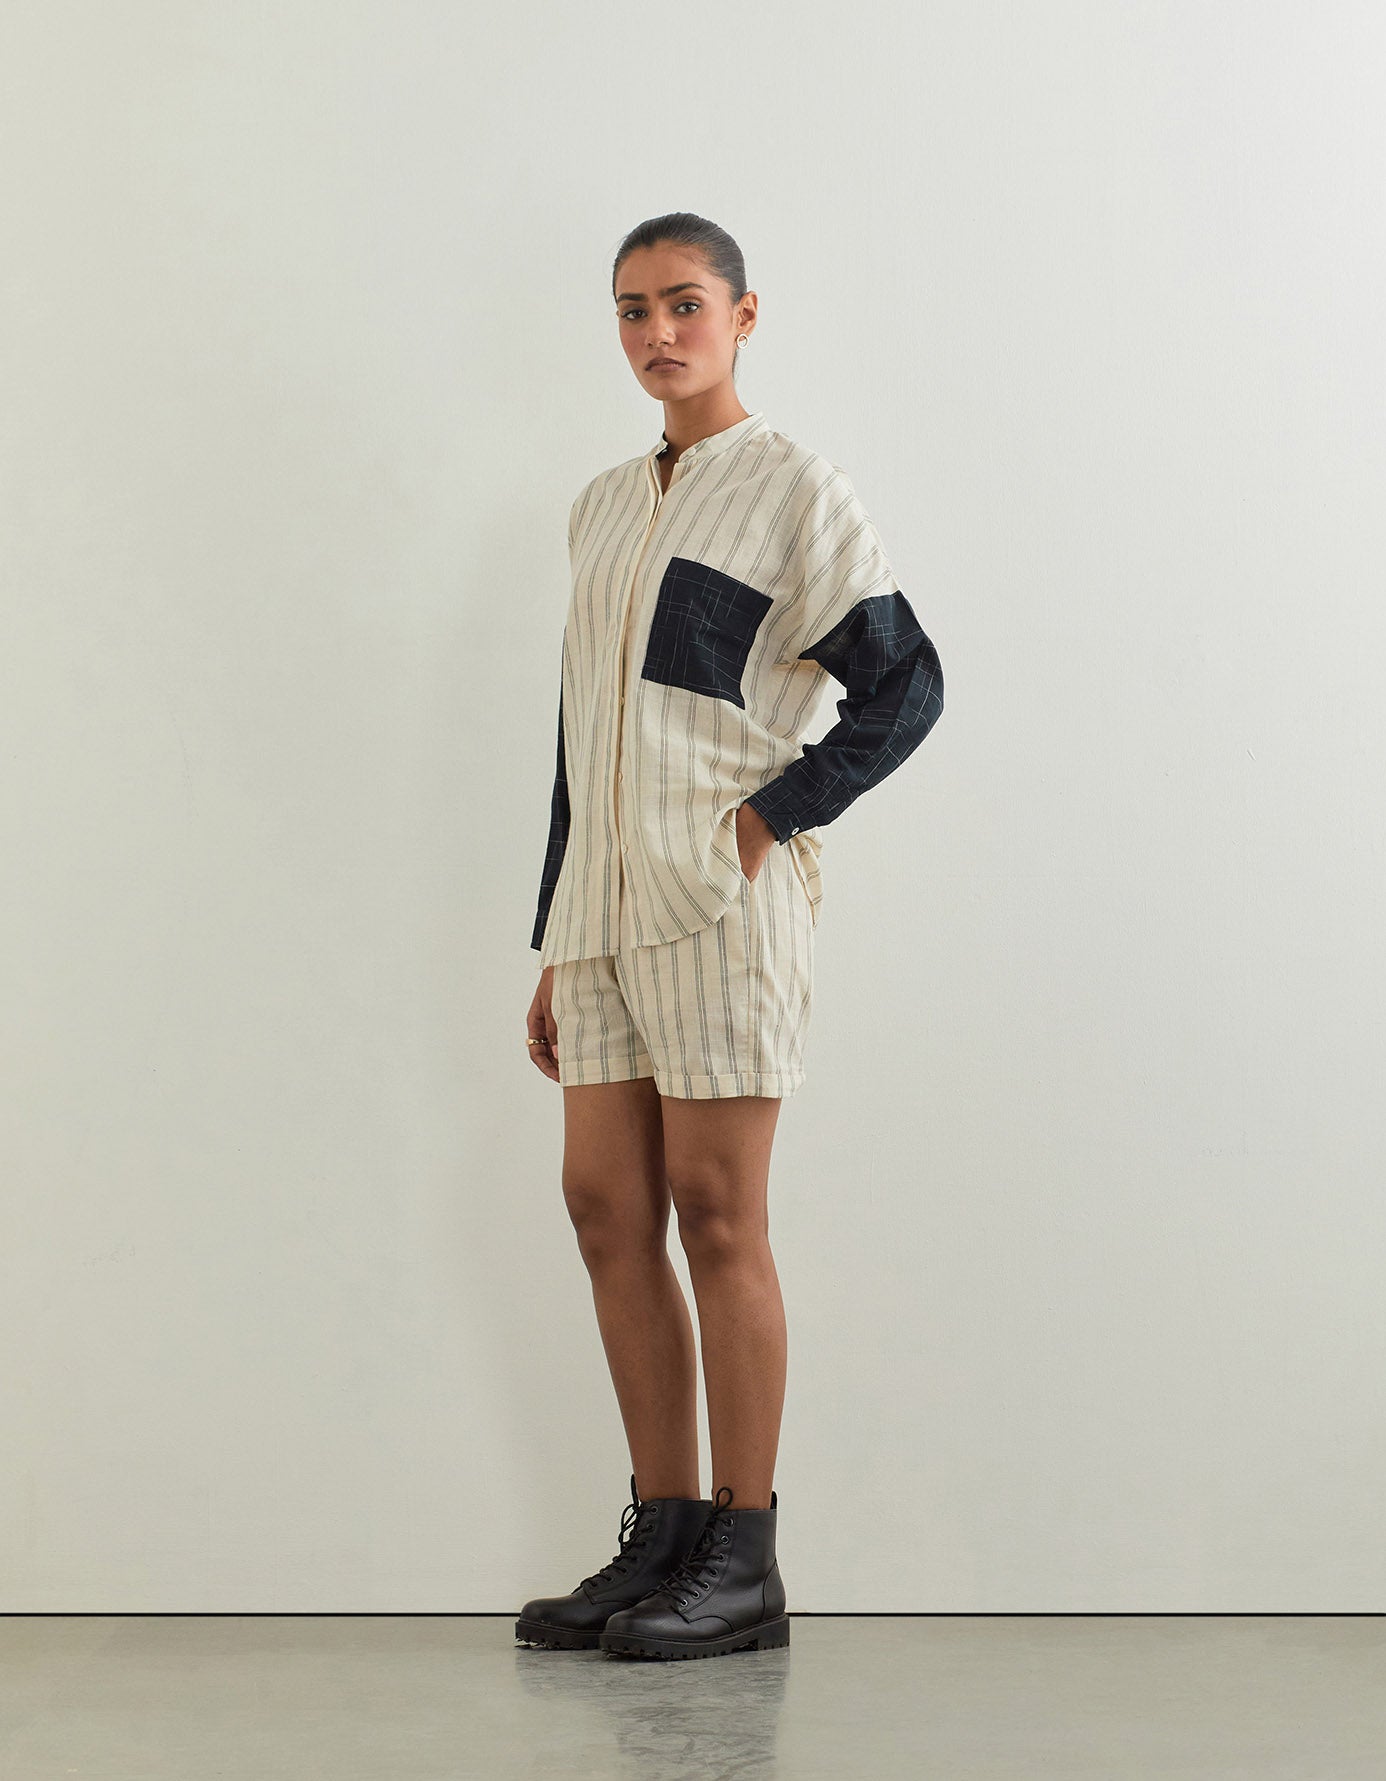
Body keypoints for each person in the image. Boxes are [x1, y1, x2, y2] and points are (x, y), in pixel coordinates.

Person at [515, 212, 944, 1662]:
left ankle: (746, 1560)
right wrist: (554, 928)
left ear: (744, 315)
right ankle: (664, 1534)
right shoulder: (600, 505)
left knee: (715, 1211)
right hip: (600, 912)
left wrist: (772, 814)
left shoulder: (793, 488)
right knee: (601, 1207)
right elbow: (582, 734)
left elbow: (904, 684)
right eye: (632, 309)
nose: (657, 332)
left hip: (717, 896)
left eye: (684, 303)